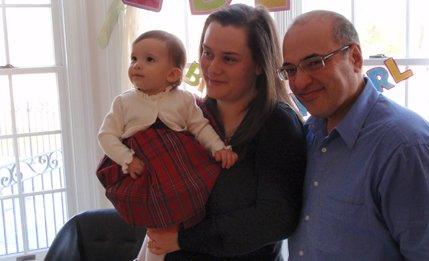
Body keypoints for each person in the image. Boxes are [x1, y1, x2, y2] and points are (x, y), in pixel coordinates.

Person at [280, 10, 429, 260]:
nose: (299, 83)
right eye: (290, 70)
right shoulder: (309, 135)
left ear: (355, 57)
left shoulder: (409, 149)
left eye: (314, 62)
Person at [140, 4, 307, 260]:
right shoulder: (192, 115)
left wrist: (183, 239)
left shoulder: (277, 125)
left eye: (229, 58)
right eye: (207, 53)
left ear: (260, 65)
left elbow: (275, 218)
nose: (212, 68)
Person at [97, 30, 238, 261]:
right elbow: (106, 135)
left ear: (173, 74)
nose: (137, 66)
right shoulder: (124, 102)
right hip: (142, 168)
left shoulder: (184, 99)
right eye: (134, 59)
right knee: (157, 222)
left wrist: (218, 147)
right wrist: (127, 158)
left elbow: (200, 126)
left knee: (176, 216)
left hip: (176, 168)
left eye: (149, 60)